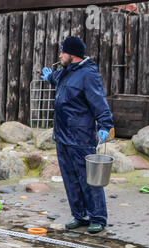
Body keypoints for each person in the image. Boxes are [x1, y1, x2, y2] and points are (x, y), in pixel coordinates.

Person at [41, 36, 114, 234]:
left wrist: (105, 125)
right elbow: (57, 80)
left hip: (80, 137)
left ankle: (97, 218)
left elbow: (99, 101)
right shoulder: (65, 72)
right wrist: (49, 77)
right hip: (62, 136)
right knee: (70, 179)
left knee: (88, 179)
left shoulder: (88, 75)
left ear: (72, 54)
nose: (59, 55)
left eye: (62, 52)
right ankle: (79, 215)